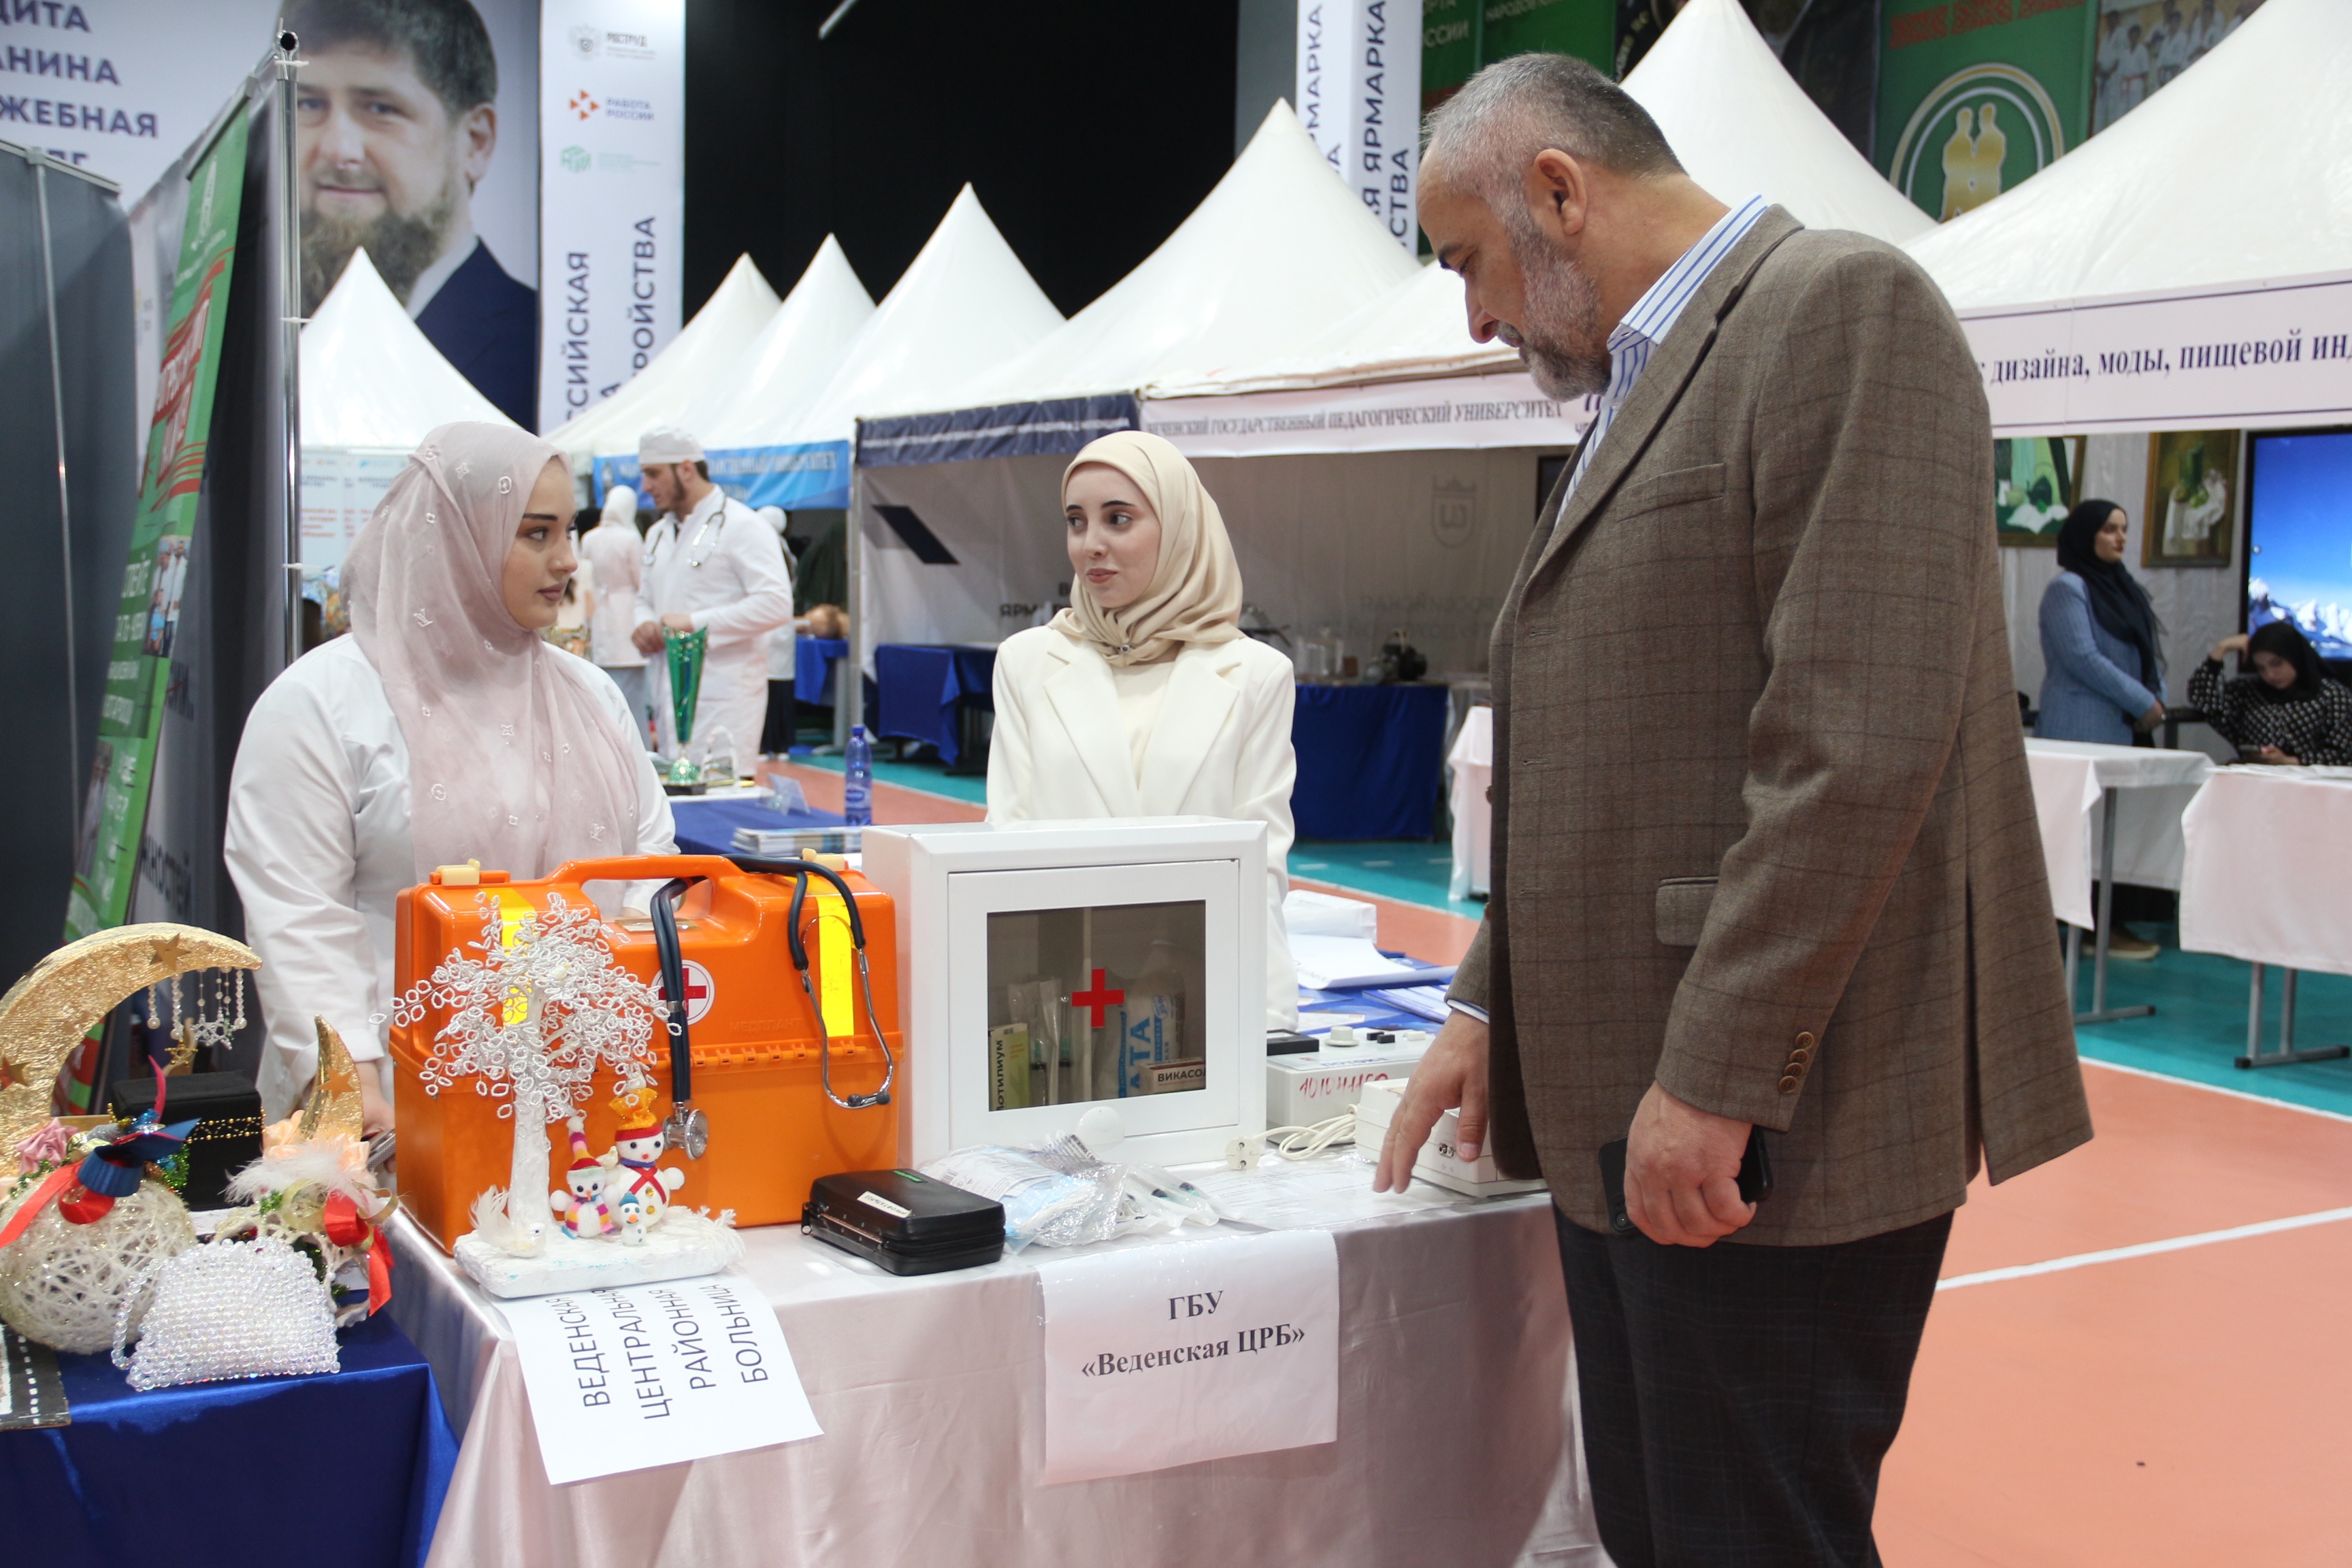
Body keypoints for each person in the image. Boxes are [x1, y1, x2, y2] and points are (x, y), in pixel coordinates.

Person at [1379, 56, 2089, 1566]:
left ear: (1559, 191)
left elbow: (1853, 743)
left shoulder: (1843, 310)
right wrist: (1490, 1006)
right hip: (1633, 1093)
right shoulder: (1645, 377)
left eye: (1468, 260)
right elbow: (1600, 761)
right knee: (1659, 1530)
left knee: (1751, 1535)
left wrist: (1715, 1077)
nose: (1477, 316)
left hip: (1775, 1114)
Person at [226, 423, 676, 1132]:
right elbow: (300, 915)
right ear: (455, 538)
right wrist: (353, 1093)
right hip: (390, 1100)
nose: (567, 559)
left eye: (569, 530)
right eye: (535, 533)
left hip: (588, 1094)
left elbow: (649, 867)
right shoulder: (322, 704)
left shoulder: (590, 696)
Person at [987, 431, 1300, 1030]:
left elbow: (1260, 868)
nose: (1091, 545)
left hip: (1198, 994)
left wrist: (1268, 1022)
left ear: (1180, 528)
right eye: (1076, 521)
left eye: (1119, 519)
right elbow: (1005, 841)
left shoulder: (1256, 674)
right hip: (1058, 994)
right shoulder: (1027, 662)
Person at [291, 0, 535, 428]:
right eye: (310, 104)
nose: (338, 149)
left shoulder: (540, 349)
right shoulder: (250, 339)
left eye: (380, 109)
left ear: (476, 142)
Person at [630, 428, 794, 771]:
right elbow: (644, 598)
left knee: (720, 793)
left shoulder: (743, 526)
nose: (645, 486)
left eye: (653, 474)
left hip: (723, 701)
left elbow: (776, 603)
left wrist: (693, 625)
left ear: (686, 470)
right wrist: (643, 623)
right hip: (667, 692)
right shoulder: (658, 533)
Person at [2037, 500, 2166, 747]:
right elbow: (2083, 658)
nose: (2121, 538)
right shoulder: (2066, 589)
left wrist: (2156, 701)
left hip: (2130, 727)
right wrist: (2143, 703)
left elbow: (2146, 652)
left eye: (2124, 530)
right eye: (2109, 530)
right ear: (2086, 535)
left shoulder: (2126, 589)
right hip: (2082, 729)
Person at [2191, 621, 2352, 765]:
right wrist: (2222, 648)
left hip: (2311, 783)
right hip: (2253, 778)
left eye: (2277, 664)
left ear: (2295, 657)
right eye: (2261, 668)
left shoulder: (2332, 695)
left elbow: (2344, 754)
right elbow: (2204, 700)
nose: (2270, 674)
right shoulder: (2247, 692)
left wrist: (2290, 761)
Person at [579, 483, 652, 747]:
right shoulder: (630, 539)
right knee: (633, 698)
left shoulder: (589, 538)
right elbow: (642, 581)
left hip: (599, 614)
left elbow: (585, 577)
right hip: (627, 613)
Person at [755, 504, 800, 758]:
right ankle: (782, 744)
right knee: (782, 687)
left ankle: (764, 744)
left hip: (766, 625)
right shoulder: (788, 554)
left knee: (765, 688)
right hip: (784, 628)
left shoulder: (763, 552)